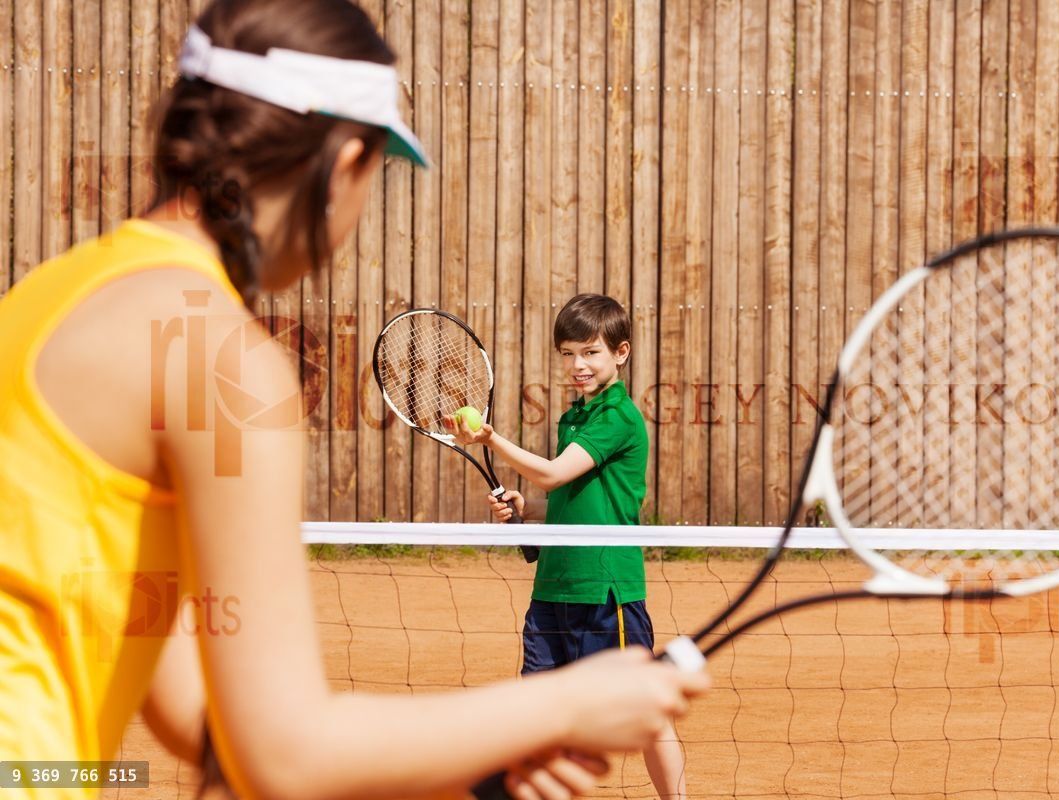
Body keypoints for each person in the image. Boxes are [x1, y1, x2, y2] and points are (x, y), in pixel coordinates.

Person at [0, 3, 707, 799]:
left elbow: (190, 706)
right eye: (378, 172)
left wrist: (471, 758)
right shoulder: (222, 361)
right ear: (342, 165)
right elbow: (284, 756)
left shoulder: (52, 296)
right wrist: (562, 706)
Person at [449, 294, 690, 799]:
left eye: (590, 353)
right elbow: (567, 497)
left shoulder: (618, 417)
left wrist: (491, 440)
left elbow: (557, 474)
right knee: (538, 712)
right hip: (552, 591)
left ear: (620, 353)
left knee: (645, 714)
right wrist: (526, 508)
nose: (577, 365)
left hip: (605, 592)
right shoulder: (573, 418)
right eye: (567, 354)